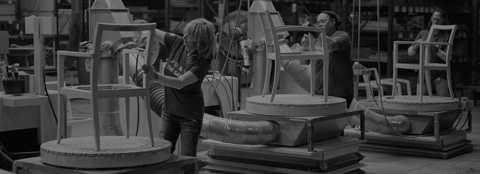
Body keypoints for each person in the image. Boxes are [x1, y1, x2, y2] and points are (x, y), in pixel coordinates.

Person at [141, 18, 216, 174]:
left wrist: (155, 76)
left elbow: (180, 83)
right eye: (185, 34)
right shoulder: (178, 43)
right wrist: (138, 23)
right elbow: (152, 31)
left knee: (187, 161)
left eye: (190, 36)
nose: (185, 37)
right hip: (169, 111)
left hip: (190, 116)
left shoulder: (202, 62)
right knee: (162, 154)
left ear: (201, 42)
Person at [284, 11, 354, 107]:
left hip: (340, 92)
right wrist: (305, 47)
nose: (320, 24)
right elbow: (303, 62)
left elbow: (332, 45)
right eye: (318, 22)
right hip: (320, 92)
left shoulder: (342, 36)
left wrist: (314, 31)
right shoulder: (317, 41)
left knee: (336, 119)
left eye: (323, 21)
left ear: (333, 21)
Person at [407, 8, 451, 97]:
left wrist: (437, 50)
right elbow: (410, 52)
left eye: (438, 19)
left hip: (439, 73)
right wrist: (416, 46)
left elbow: (449, 58)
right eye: (434, 19)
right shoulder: (423, 33)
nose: (435, 21)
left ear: (443, 21)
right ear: (431, 19)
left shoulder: (446, 36)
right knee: (420, 101)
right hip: (423, 72)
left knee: (442, 102)